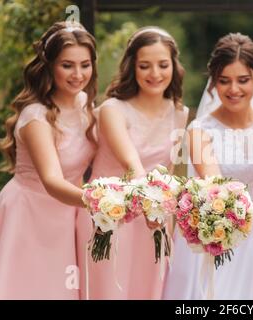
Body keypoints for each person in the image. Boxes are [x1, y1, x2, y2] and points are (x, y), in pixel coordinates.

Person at [163, 32, 253, 299]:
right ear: (213, 84)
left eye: (243, 80)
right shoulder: (200, 129)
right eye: (224, 81)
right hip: (217, 230)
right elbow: (214, 182)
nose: (234, 89)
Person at [76, 26, 189, 300]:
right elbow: (132, 163)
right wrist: (152, 209)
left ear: (174, 66)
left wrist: (165, 224)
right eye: (145, 66)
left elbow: (170, 173)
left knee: (149, 292)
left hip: (154, 223)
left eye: (163, 65)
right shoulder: (113, 110)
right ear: (132, 67)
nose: (155, 74)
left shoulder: (180, 113)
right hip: (108, 217)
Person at [0, 21, 97, 299]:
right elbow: (52, 180)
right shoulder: (35, 116)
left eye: (85, 64)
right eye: (67, 65)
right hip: (28, 214)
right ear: (49, 65)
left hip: (66, 216)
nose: (78, 74)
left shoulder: (86, 106)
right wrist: (100, 201)